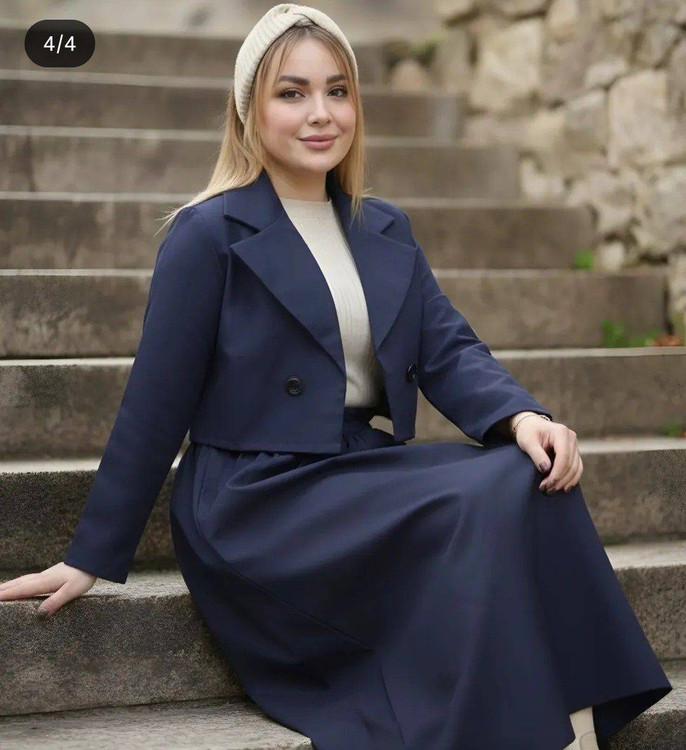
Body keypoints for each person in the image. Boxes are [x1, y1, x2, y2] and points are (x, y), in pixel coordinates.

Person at [0, 4, 672, 749]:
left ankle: (574, 721)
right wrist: (90, 557)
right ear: (249, 110)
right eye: (292, 93)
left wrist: (523, 418)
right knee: (483, 499)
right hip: (254, 497)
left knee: (530, 472)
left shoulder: (381, 226)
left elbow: (447, 349)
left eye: (338, 91)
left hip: (353, 468)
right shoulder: (207, 233)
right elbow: (154, 403)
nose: (321, 113)